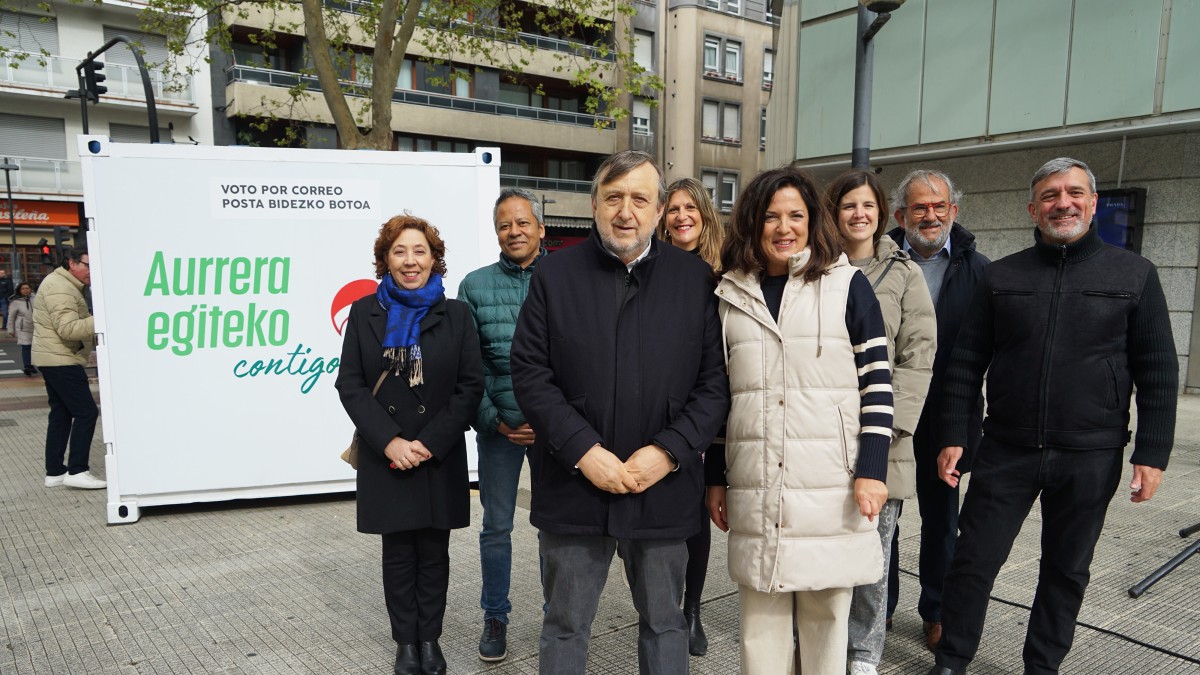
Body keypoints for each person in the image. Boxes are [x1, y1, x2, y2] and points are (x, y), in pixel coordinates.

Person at [926, 158, 1179, 675]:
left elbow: (1158, 370)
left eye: (1074, 193)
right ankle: (951, 660)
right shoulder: (1002, 276)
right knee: (972, 562)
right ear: (1033, 209)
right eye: (1050, 195)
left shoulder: (1135, 275)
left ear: (1092, 201)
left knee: (1065, 570)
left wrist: (1151, 453)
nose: (1062, 203)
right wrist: (955, 432)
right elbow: (964, 363)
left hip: (1091, 453)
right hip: (1005, 449)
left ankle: (1042, 667)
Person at [511, 150, 729, 675]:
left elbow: (715, 385)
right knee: (564, 626)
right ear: (594, 206)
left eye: (639, 198)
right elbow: (530, 374)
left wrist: (668, 452)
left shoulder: (694, 280)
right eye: (613, 197)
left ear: (658, 210)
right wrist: (585, 453)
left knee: (665, 623)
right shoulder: (554, 274)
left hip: (663, 488)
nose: (625, 211)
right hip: (575, 488)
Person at [707, 167, 893, 674]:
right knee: (760, 631)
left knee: (827, 621)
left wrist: (872, 468)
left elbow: (878, 382)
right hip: (757, 480)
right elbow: (723, 395)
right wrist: (716, 477)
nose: (784, 227)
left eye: (796, 215)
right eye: (771, 216)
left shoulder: (846, 285)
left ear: (814, 222)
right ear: (752, 222)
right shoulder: (730, 294)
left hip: (831, 482)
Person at [335, 214, 484, 675]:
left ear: (435, 259)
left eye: (420, 251)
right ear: (385, 261)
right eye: (399, 251)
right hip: (388, 456)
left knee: (434, 554)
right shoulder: (365, 312)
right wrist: (392, 441)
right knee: (399, 554)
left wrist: (429, 443)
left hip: (437, 455)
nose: (410, 260)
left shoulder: (456, 314)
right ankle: (406, 642)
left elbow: (470, 386)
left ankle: (430, 640)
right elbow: (352, 385)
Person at [827, 170, 937, 675]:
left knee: (873, 555)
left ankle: (864, 653)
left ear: (881, 213)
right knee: (825, 549)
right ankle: (823, 639)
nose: (858, 214)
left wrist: (889, 425)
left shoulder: (904, 273)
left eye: (867, 205)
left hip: (883, 436)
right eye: (848, 205)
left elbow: (917, 357)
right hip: (822, 433)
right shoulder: (816, 267)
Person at [886, 169, 988, 651]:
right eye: (919, 207)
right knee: (881, 515)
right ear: (900, 214)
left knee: (942, 519)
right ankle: (878, 607)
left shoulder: (979, 269)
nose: (930, 215)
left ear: (953, 211)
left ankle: (937, 610)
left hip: (949, 415)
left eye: (939, 206)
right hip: (886, 412)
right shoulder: (874, 262)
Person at [457, 187, 546, 663]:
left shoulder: (566, 277)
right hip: (500, 431)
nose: (513, 232)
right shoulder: (475, 285)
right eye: (504, 225)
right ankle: (495, 616)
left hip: (558, 433)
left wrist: (557, 421)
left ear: (541, 228)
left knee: (559, 529)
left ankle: (559, 615)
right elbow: (468, 369)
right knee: (496, 527)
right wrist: (495, 420)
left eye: (522, 223)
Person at [655, 177, 724, 657]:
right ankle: (662, 606)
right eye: (673, 208)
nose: (681, 216)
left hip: (714, 403)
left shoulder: (728, 270)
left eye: (690, 208)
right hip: (667, 404)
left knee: (700, 511)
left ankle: (692, 610)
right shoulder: (654, 268)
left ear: (705, 213)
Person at [34, 247, 104, 489]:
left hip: (54, 357)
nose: (91, 271)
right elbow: (68, 328)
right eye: (87, 264)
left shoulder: (63, 284)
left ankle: (55, 471)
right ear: (72, 263)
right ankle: (77, 470)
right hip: (61, 358)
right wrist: (103, 317)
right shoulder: (61, 287)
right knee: (86, 412)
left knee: (61, 414)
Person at [9, 281, 36, 376]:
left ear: (30, 289)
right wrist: (10, 329)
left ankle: (32, 365)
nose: (25, 290)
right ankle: (27, 366)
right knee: (26, 346)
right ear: (19, 290)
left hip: (35, 327)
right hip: (22, 328)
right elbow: (11, 317)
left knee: (34, 348)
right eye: (23, 288)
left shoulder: (35, 298)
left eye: (27, 288)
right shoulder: (15, 301)